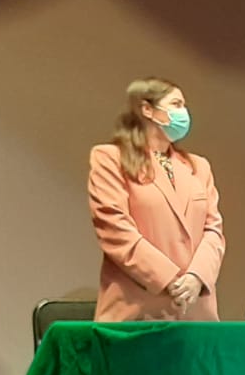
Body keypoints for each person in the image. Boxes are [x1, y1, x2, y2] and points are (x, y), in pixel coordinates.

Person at [89, 77, 225, 322]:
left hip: (195, 311)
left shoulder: (198, 166)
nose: (184, 113)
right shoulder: (110, 159)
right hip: (139, 310)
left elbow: (213, 230)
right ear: (148, 110)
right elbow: (115, 229)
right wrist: (169, 278)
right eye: (176, 104)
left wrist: (196, 277)